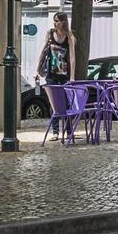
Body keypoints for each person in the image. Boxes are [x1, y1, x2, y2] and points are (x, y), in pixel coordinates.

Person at [35, 12, 76, 140]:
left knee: (67, 103)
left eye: (57, 20)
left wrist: (72, 77)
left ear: (63, 22)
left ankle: (69, 131)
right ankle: (55, 131)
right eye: (54, 20)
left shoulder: (69, 36)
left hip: (64, 74)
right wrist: (37, 70)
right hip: (51, 74)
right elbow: (43, 51)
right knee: (53, 103)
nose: (55, 23)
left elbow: (72, 57)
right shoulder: (50, 34)